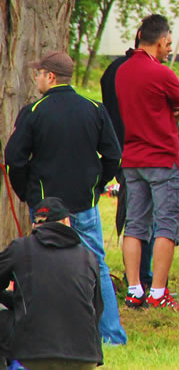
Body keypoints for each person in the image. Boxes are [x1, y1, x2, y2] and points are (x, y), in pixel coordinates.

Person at [4, 51, 126, 345]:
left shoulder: (34, 112)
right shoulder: (94, 108)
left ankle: (47, 333)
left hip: (46, 207)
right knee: (96, 264)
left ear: (50, 76)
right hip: (85, 203)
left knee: (43, 265)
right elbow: (113, 155)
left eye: (38, 73)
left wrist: (27, 193)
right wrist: (96, 186)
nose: (36, 78)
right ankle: (110, 334)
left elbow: (13, 159)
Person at [116, 13, 179, 311]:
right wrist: (169, 113)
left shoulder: (123, 71)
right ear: (161, 41)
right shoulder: (162, 73)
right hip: (162, 158)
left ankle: (135, 289)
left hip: (132, 158)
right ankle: (158, 291)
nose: (169, 48)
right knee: (167, 225)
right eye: (169, 43)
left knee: (134, 225)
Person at [0, 198, 103, 369]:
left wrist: (10, 299)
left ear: (34, 225)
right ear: (67, 222)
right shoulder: (88, 257)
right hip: (86, 356)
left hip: (34, 354)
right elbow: (97, 310)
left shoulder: (21, 248)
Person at [101, 31, 155, 292]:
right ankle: (143, 277)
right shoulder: (144, 70)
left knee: (133, 214)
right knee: (145, 216)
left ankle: (138, 277)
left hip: (119, 150)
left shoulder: (112, 70)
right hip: (143, 150)